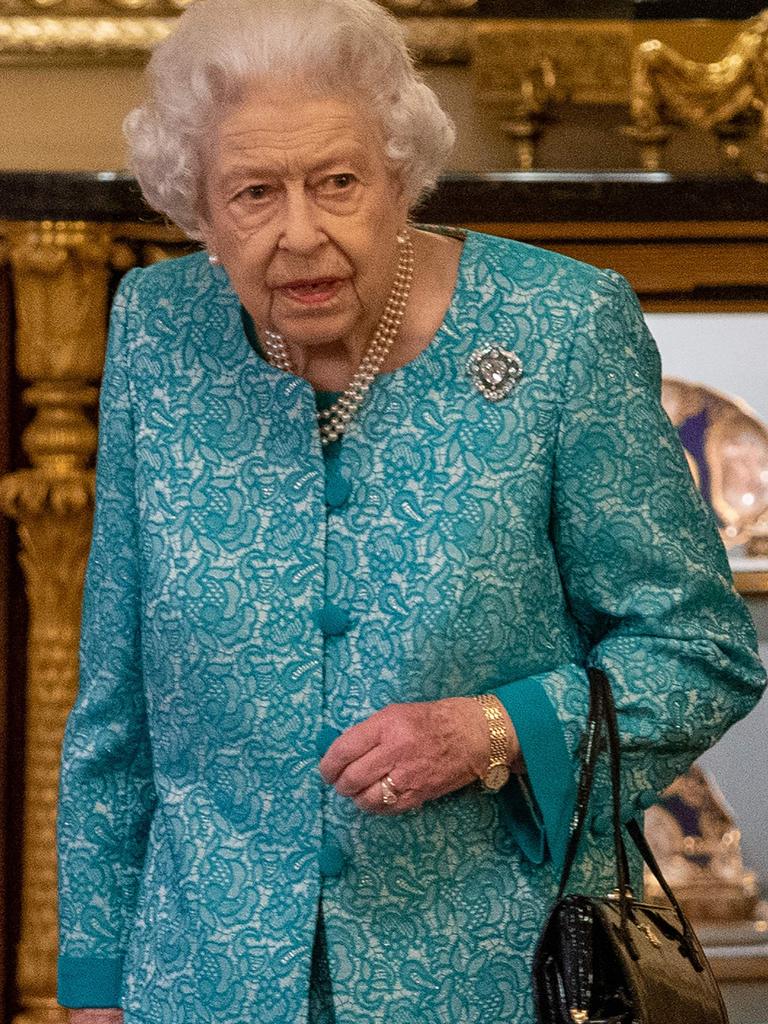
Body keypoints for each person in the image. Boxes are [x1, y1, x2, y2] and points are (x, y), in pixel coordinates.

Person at [55, 0, 767, 1022]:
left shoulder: (560, 329)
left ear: (400, 176)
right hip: (199, 983)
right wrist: (91, 983)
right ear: (197, 211)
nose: (303, 232)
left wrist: (495, 728)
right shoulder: (158, 331)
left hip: (493, 978)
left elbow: (701, 650)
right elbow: (113, 704)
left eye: (338, 181)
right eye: (254, 192)